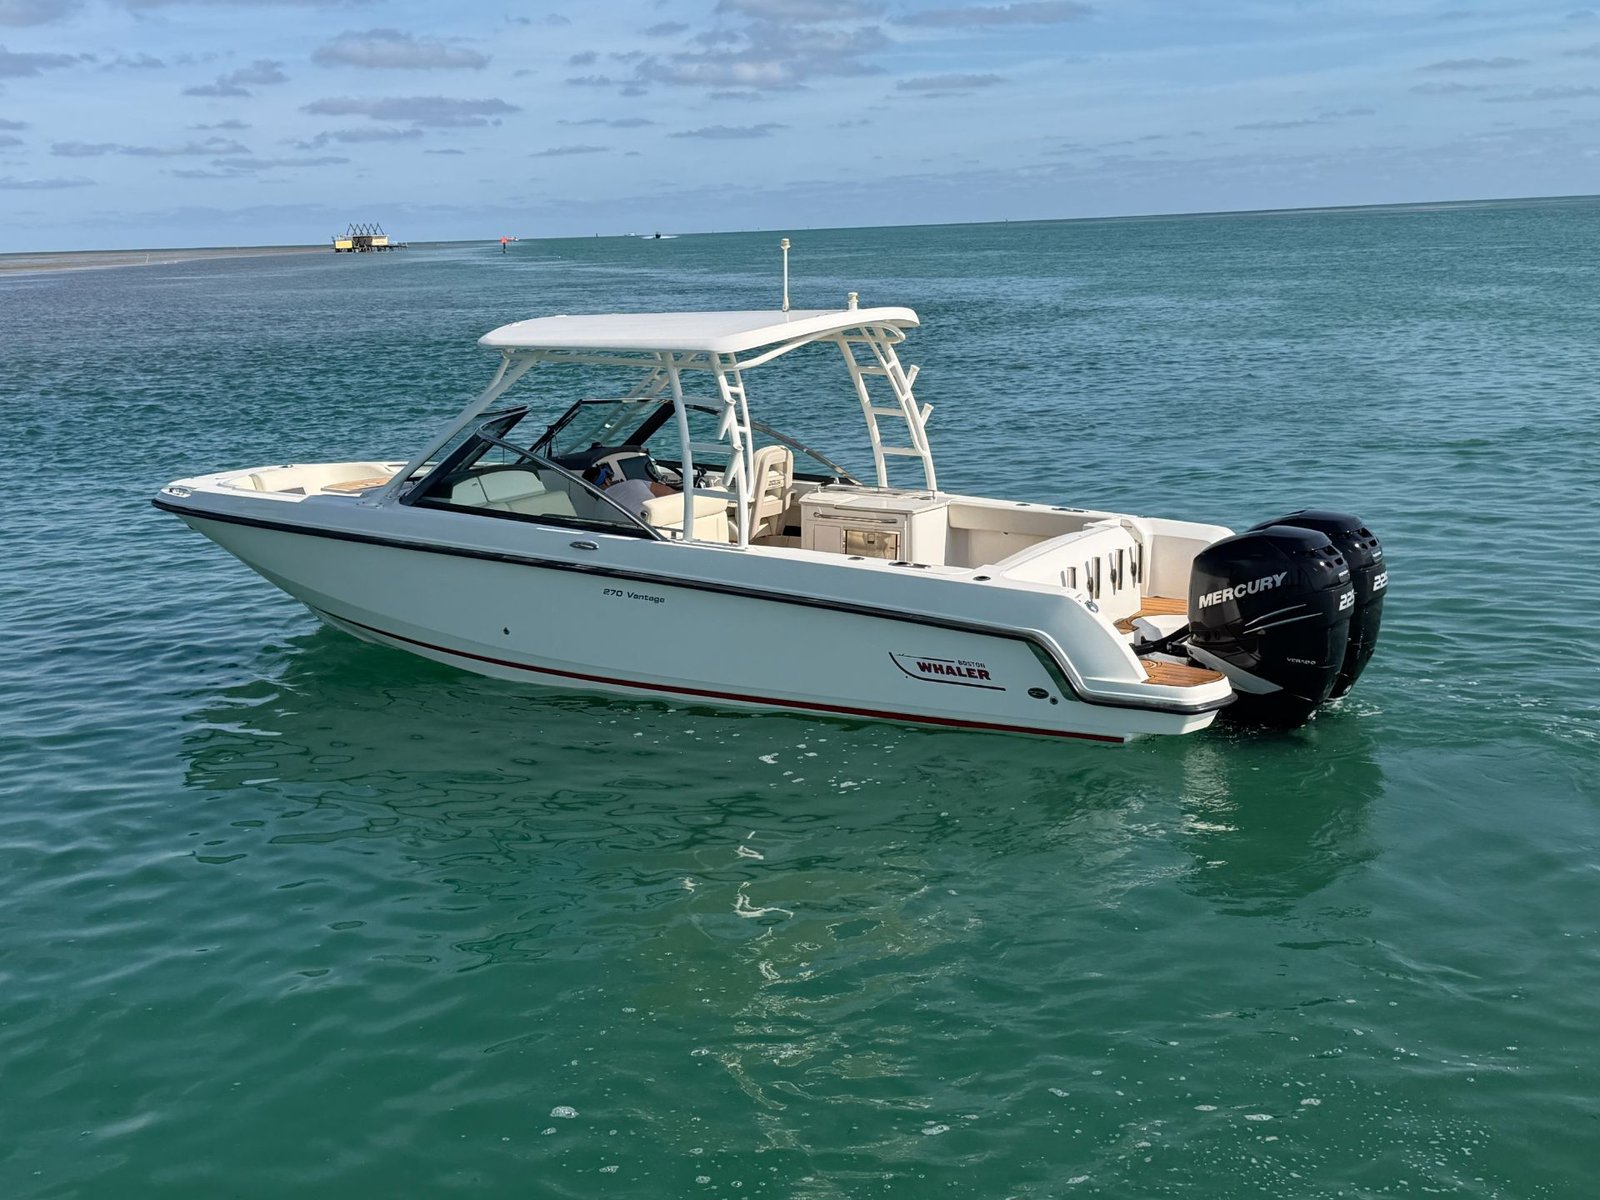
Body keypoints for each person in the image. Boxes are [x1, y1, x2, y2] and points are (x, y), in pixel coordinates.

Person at [586, 461, 676, 521]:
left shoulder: (598, 511)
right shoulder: (634, 483)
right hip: (658, 524)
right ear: (606, 481)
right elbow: (671, 495)